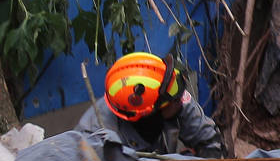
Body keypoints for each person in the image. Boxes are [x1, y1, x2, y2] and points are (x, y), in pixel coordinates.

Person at [77, 50, 223, 155]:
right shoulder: (95, 141)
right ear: (147, 113)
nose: (179, 98)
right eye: (171, 99)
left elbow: (209, 140)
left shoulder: (171, 94)